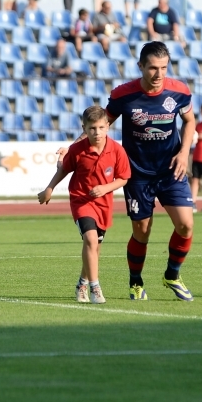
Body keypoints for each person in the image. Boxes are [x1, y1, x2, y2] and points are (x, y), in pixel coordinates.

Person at [57, 42, 197, 302]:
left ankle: (172, 274)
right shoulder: (124, 95)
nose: (159, 74)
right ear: (140, 66)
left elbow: (190, 120)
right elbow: (100, 124)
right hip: (138, 174)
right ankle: (135, 282)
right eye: (153, 68)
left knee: (186, 225)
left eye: (164, 68)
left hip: (170, 170)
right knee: (142, 231)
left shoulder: (179, 91)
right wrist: (72, 147)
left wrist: (184, 152)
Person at [38, 105, 131, 304]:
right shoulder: (78, 150)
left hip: (103, 204)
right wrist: (49, 188)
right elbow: (64, 170)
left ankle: (82, 283)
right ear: (84, 128)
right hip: (81, 201)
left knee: (95, 246)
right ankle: (95, 288)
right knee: (90, 239)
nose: (96, 132)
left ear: (108, 126)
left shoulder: (117, 150)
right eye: (91, 128)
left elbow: (123, 178)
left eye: (100, 128)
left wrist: (105, 188)